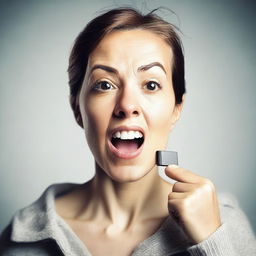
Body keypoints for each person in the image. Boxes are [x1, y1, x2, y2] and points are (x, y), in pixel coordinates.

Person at [0, 7, 255, 256]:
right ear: (77, 108)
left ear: (176, 109)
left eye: (151, 84)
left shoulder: (224, 223)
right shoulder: (23, 238)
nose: (127, 105)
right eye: (104, 85)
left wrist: (213, 242)